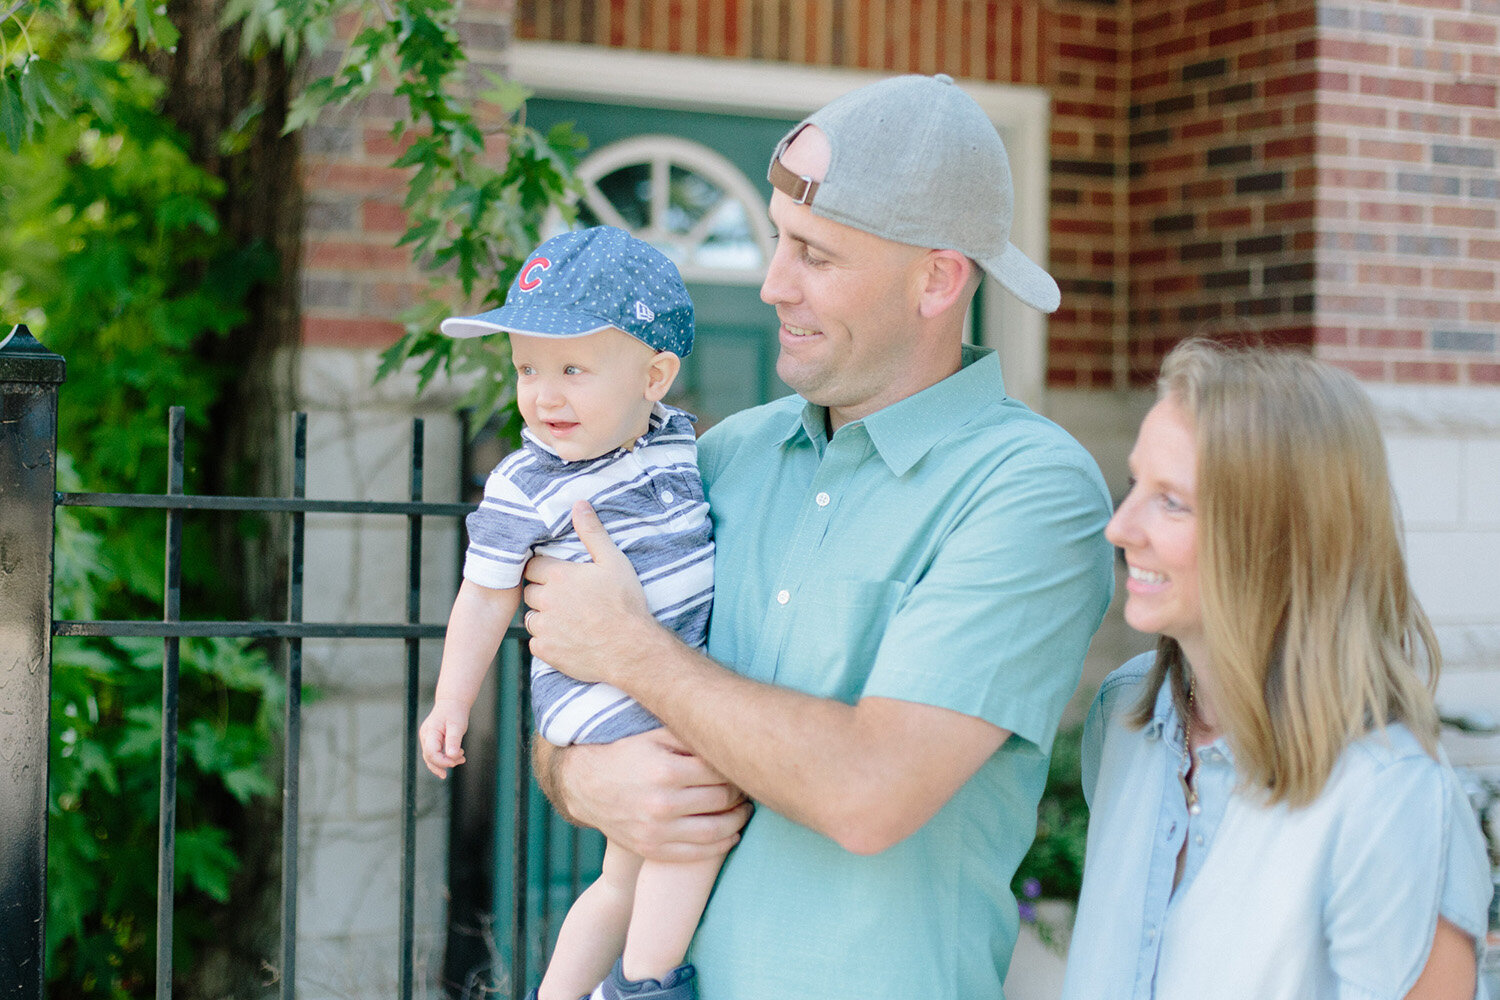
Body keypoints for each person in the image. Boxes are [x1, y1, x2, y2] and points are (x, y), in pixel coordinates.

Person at [519, 74, 1116, 998]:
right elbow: (574, 691)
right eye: (775, 241)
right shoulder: (723, 456)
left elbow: (871, 791)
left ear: (938, 279)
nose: (770, 284)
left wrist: (636, 653)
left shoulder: (1030, 491)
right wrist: (579, 777)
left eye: (816, 255)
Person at [1061, 339, 1494, 1000]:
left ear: (1278, 538)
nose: (1120, 528)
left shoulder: (1391, 799)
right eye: (1133, 485)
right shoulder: (1124, 722)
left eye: (1171, 501)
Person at [417, 226, 720, 1000]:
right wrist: (452, 700)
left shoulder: (679, 447)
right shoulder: (526, 482)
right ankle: (647, 987)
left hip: (664, 683)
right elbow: (484, 596)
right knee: (696, 831)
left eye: (572, 368)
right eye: (526, 368)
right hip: (602, 696)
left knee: (623, 877)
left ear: (655, 375)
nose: (542, 393)